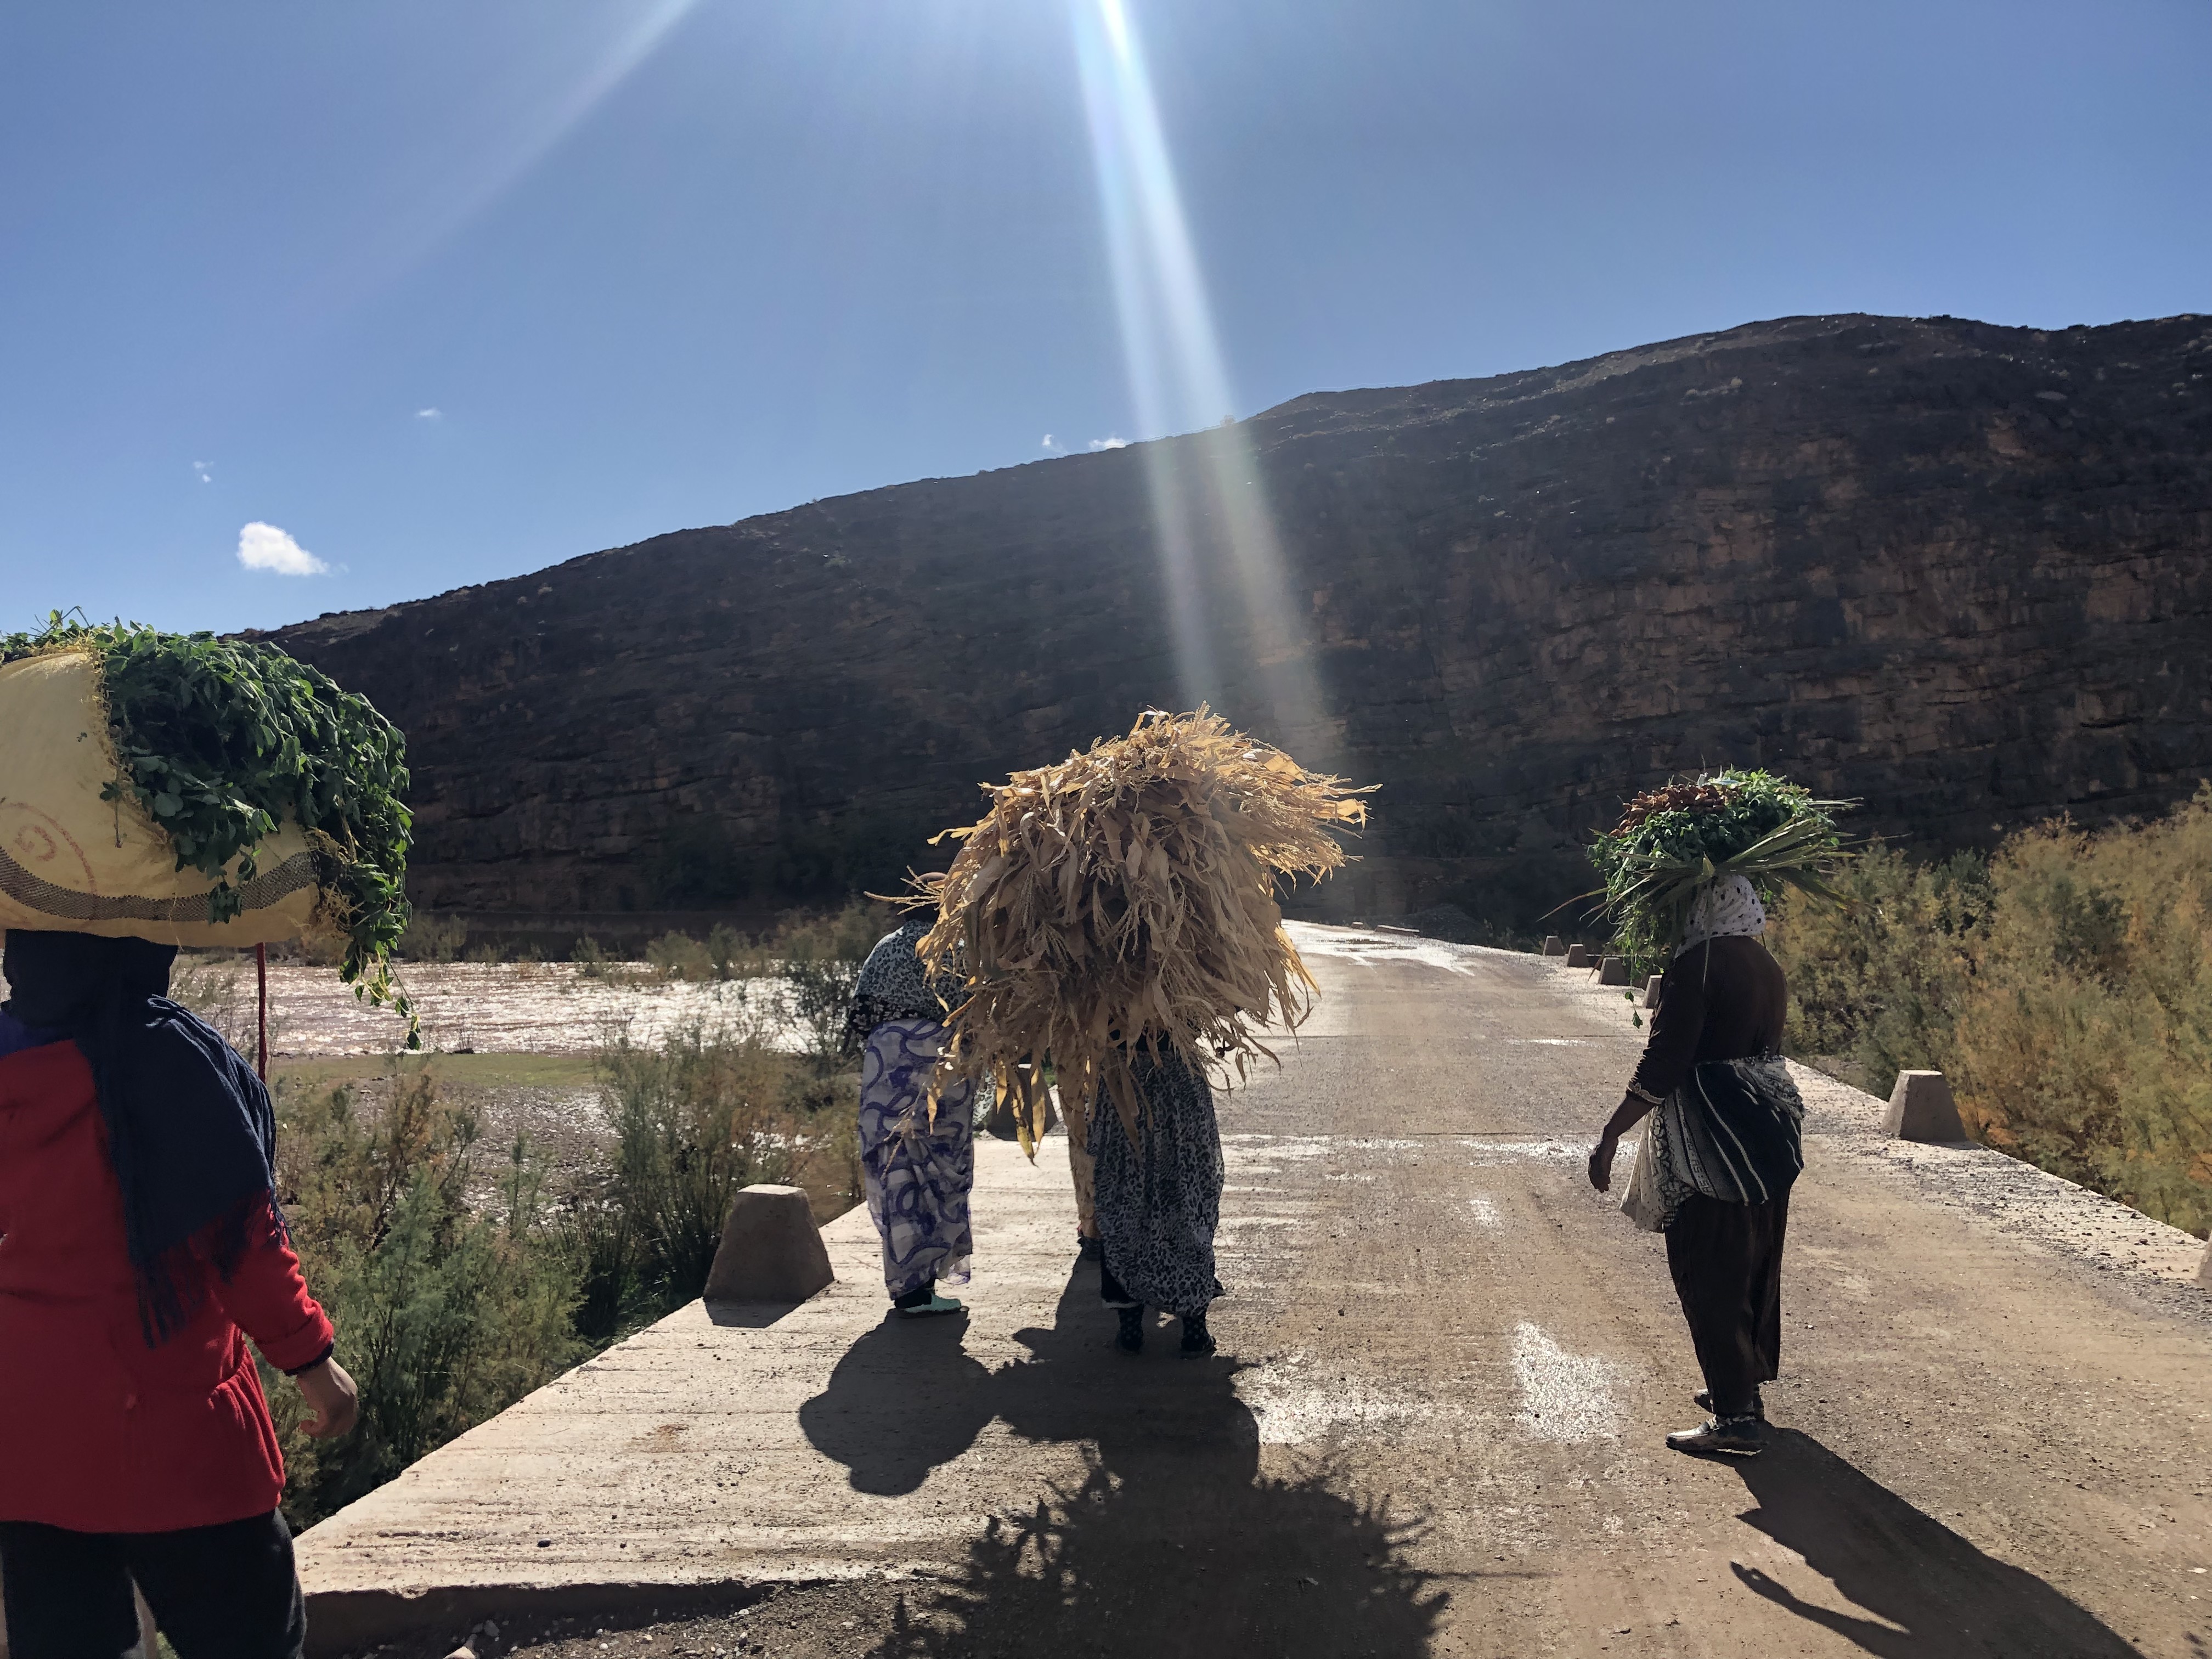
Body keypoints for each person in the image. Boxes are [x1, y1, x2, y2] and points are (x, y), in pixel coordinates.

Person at [0, 929, 358, 1658]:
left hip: (30, 1451)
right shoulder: (166, 1058)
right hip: (180, 1444)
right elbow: (238, 1239)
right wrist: (311, 1361)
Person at [1585, 875, 1804, 1457]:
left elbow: (1665, 1062)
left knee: (1708, 1268)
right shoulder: (1766, 965)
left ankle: (1736, 1420)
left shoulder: (1698, 966)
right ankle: (1741, 1390)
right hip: (1768, 1129)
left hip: (1714, 1140)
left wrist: (1611, 1134)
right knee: (1752, 1261)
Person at [844, 918, 984, 1317]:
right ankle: (922, 1287)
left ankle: (910, 1286)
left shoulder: (885, 946)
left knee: (896, 1167)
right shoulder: (957, 951)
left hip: (887, 1060)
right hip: (941, 1062)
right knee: (939, 1165)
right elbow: (977, 1016)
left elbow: (859, 1016)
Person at [1089, 1040, 1224, 1357]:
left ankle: (1130, 1330)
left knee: (1125, 1205)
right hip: (1176, 1079)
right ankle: (1194, 1332)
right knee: (1187, 1203)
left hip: (1124, 1081)